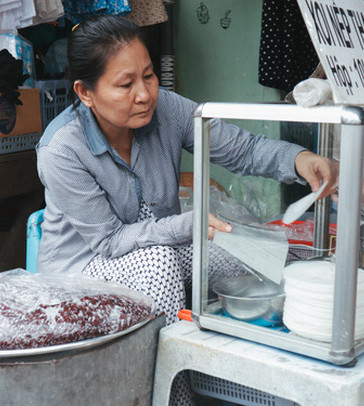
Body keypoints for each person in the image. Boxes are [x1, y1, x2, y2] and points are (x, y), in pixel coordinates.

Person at [36, 15, 336, 405]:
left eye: (149, 76)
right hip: (84, 269)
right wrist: (190, 225)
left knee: (255, 251)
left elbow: (240, 148)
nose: (144, 94)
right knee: (160, 261)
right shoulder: (61, 149)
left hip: (158, 245)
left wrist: (299, 159)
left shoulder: (168, 109)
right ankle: (173, 396)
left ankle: (269, 383)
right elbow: (109, 241)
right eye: (126, 84)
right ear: (85, 92)